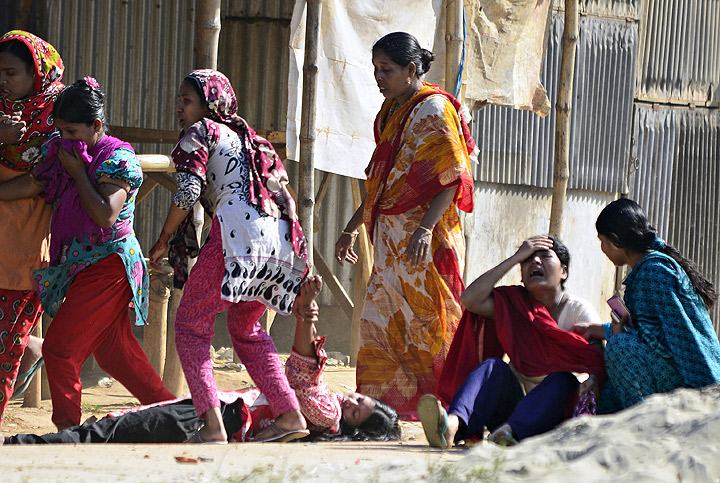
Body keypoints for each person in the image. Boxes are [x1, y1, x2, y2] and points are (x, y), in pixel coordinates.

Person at [3, 276, 402, 444]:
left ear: (348, 429)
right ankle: (28, 443)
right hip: (214, 412)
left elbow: (301, 374)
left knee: (112, 431)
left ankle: (21, 445)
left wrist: (305, 313)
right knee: (117, 428)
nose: (348, 403)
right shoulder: (324, 420)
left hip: (216, 418)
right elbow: (300, 373)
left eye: (354, 413)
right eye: (358, 400)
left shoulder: (326, 417)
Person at [0, 78, 175, 430]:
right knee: (116, 355)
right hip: (80, 269)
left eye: (72, 131)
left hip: (109, 266)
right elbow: (33, 184)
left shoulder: (118, 157)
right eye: (61, 131)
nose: (66, 139)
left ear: (96, 126)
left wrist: (79, 172)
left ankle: (69, 431)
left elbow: (105, 215)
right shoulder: (60, 152)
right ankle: (178, 414)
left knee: (60, 350)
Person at [148, 69, 310, 444]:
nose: (178, 108)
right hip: (279, 241)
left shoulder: (202, 132)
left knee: (190, 325)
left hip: (236, 234)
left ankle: (211, 426)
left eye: (186, 100)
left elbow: (188, 192)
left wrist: (163, 238)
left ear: (208, 105)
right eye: (179, 100)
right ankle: (289, 415)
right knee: (247, 329)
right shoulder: (255, 140)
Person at [334, 32, 477, 418]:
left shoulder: (433, 109)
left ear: (411, 69)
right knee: (381, 321)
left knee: (431, 322)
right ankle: (382, 411)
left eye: (387, 70)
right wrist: (351, 226)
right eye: (376, 70)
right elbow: (383, 179)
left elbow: (452, 176)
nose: (379, 78)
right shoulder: (389, 112)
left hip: (425, 239)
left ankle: (446, 407)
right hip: (391, 240)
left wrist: (425, 229)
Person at [418, 236, 606, 449]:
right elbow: (470, 300)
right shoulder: (515, 303)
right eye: (528, 259)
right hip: (512, 408)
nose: (535, 262)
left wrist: (593, 380)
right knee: (493, 367)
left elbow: (595, 355)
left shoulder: (578, 309)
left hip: (555, 412)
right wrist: (515, 258)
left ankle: (510, 433)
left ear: (564, 272)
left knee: (562, 380)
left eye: (544, 256)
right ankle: (451, 427)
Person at [573, 199, 720, 413]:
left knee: (619, 349)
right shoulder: (650, 268)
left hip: (694, 381)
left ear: (615, 240)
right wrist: (601, 330)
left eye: (602, 241)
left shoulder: (654, 273)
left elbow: (669, 339)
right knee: (606, 400)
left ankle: (643, 420)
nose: (602, 248)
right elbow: (651, 329)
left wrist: (616, 334)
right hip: (682, 373)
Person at [0, 30, 63, 436]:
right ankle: (36, 350)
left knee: (4, 347)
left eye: (11, 73)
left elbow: (42, 181)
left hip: (25, 249)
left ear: (35, 75)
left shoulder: (59, 120)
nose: (3, 82)